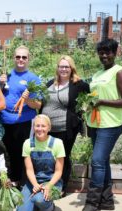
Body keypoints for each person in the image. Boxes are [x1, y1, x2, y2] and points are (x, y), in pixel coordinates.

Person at [81, 38, 122, 211]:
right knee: (102, 161)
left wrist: (102, 102)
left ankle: (92, 202)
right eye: (101, 53)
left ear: (115, 53)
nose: (104, 56)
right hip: (96, 123)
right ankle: (107, 199)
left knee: (96, 161)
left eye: (107, 52)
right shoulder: (97, 74)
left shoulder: (119, 72)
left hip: (110, 124)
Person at [41, 55, 89, 195]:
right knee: (48, 157)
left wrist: (81, 113)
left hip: (65, 128)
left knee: (62, 156)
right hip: (47, 129)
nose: (63, 69)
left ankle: (61, 187)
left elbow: (90, 97)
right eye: (61, 66)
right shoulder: (50, 83)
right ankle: (48, 184)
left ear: (71, 68)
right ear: (57, 68)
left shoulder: (78, 84)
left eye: (66, 66)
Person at [0, 45, 42, 187]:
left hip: (23, 121)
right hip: (4, 120)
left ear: (28, 59)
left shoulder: (33, 79)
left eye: (24, 57)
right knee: (7, 153)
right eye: (18, 57)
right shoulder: (6, 76)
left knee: (22, 152)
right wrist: (0, 83)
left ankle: (23, 182)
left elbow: (38, 105)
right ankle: (10, 181)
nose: (21, 60)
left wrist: (28, 99)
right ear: (13, 58)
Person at [15, 114, 65, 211]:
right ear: (33, 127)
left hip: (51, 180)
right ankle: (35, 204)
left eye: (43, 126)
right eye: (37, 126)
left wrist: (49, 185)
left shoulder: (57, 143)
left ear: (49, 128)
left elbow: (59, 171)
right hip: (33, 181)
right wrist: (35, 184)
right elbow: (29, 169)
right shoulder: (28, 143)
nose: (40, 129)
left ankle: (49, 209)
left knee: (39, 200)